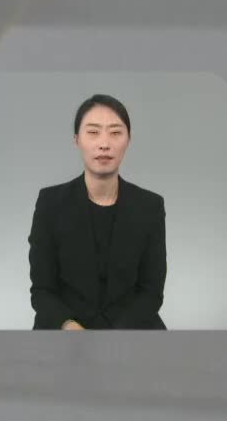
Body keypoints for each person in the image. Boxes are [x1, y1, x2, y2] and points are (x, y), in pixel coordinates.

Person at [27, 94, 168, 330]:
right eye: (93, 132)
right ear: (76, 139)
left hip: (132, 327)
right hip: (65, 325)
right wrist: (69, 326)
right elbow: (42, 291)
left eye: (115, 133)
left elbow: (151, 292)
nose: (104, 143)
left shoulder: (150, 206)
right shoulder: (50, 203)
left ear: (128, 140)